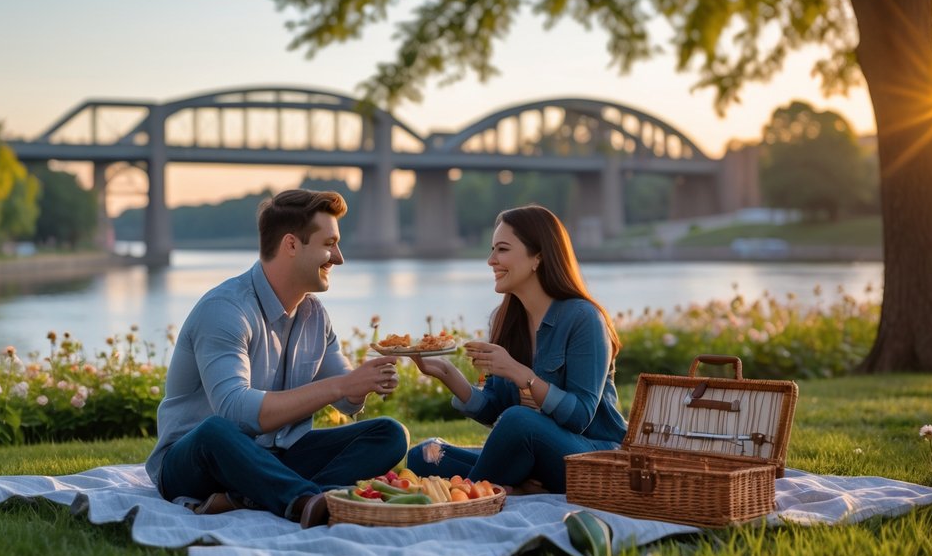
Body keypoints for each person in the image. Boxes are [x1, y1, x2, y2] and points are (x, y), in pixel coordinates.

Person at [144, 188, 408, 528]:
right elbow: (236, 411)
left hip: (276, 458)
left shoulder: (314, 315)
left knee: (388, 434)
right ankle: (303, 500)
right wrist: (341, 385)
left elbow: (346, 400)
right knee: (216, 431)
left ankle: (273, 498)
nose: (339, 258)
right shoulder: (225, 310)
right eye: (329, 244)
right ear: (292, 245)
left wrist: (363, 384)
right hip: (197, 461)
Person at [405, 204, 627, 493]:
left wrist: (522, 375)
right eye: (492, 250)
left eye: (502, 249)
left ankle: (470, 496)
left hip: (590, 456)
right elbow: (492, 409)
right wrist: (447, 374)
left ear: (538, 257)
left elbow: (580, 417)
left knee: (519, 420)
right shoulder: (504, 319)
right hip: (532, 455)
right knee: (426, 454)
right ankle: (515, 487)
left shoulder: (583, 319)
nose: (491, 260)